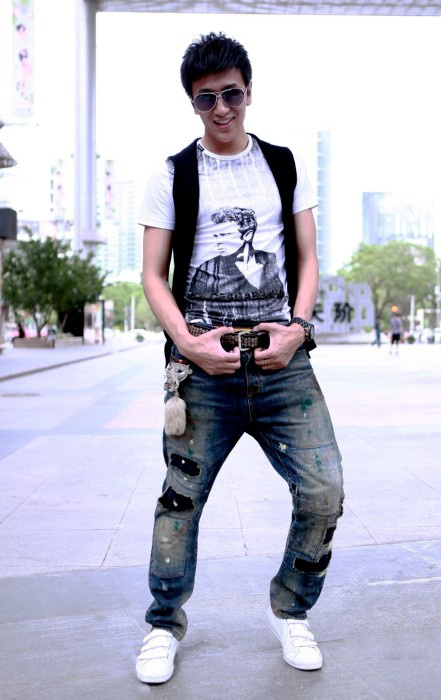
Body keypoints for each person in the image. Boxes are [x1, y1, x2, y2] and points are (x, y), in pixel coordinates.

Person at [137, 32, 344, 685]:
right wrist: (187, 343)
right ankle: (163, 624)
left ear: (248, 92)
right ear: (192, 103)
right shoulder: (172, 173)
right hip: (204, 369)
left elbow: (307, 258)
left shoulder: (282, 165)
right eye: (206, 98)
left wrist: (298, 329)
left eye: (231, 94)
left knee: (324, 491)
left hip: (283, 365)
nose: (221, 108)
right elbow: (152, 274)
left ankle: (291, 608)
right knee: (180, 501)